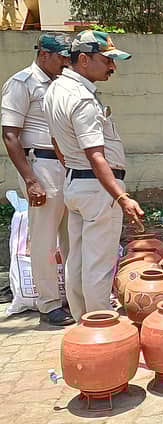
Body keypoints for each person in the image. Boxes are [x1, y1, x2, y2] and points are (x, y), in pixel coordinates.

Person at [43, 30, 145, 322]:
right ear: (84, 59)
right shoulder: (82, 99)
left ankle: (82, 324)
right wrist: (121, 196)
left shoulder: (55, 90)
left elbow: (56, 143)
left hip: (76, 183)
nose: (113, 67)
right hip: (99, 188)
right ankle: (101, 330)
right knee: (98, 265)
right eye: (107, 60)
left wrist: (76, 174)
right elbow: (96, 155)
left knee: (77, 259)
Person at [1, 33, 73, 326]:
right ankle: (49, 303)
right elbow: (9, 135)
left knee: (73, 236)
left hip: (69, 167)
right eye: (61, 57)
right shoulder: (22, 83)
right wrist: (30, 180)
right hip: (41, 165)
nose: (65, 63)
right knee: (44, 239)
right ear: (44, 54)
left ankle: (73, 295)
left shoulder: (63, 83)